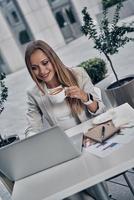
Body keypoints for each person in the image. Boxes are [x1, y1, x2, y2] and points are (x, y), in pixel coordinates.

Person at [24, 40, 107, 200]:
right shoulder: (33, 93)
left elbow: (100, 109)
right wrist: (31, 138)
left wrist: (84, 97)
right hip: (64, 150)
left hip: (90, 140)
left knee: (87, 175)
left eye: (45, 63)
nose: (42, 71)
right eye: (34, 68)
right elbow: (32, 127)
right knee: (66, 192)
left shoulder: (78, 74)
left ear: (52, 58)